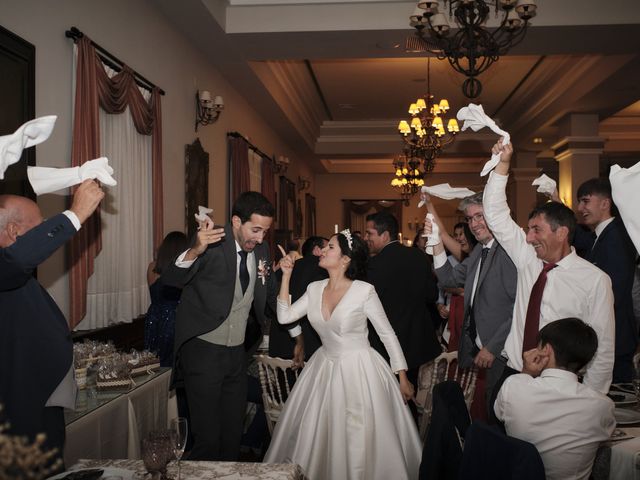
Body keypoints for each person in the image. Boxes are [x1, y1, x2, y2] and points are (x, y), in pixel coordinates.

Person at [264, 231, 421, 479]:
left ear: (345, 259)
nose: (322, 251)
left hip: (360, 370)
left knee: (358, 437)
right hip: (323, 367)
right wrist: (286, 277)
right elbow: (284, 317)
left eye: (330, 247)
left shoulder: (364, 291)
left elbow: (387, 335)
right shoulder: (314, 289)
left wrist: (402, 376)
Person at [484, 139, 614, 393]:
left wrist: (591, 400)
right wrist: (502, 165)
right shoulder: (528, 258)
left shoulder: (595, 280)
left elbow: (603, 347)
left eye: (536, 230)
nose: (529, 238)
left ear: (562, 232)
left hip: (560, 383)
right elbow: (496, 214)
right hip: (513, 371)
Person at [162, 191, 278, 461]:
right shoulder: (211, 242)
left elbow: (269, 296)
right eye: (256, 229)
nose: (260, 238)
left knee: (232, 436)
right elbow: (171, 279)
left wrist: (285, 274)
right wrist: (194, 250)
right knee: (208, 439)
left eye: (265, 232)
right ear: (236, 221)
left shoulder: (261, 249)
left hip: (237, 354)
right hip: (203, 351)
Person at [0, 180, 105, 467]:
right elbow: (17, 260)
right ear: (13, 231)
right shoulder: (7, 267)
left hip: (42, 405)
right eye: (40, 224)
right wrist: (74, 215)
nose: (46, 228)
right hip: (18, 415)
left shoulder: (19, 274)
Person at [423, 193, 517, 420]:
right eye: (470, 219)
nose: (474, 224)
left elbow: (519, 307)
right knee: (486, 410)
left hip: (503, 353)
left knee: (499, 416)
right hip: (481, 351)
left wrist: (492, 347)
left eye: (479, 216)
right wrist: (435, 242)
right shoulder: (479, 252)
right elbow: (448, 280)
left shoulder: (508, 252)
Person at [494, 318, 615, 480]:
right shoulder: (602, 406)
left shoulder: (514, 386)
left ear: (546, 350)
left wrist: (526, 372)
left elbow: (499, 413)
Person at [364, 211, 441, 390]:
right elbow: (432, 295)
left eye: (370, 233)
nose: (367, 238)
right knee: (410, 393)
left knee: (385, 395)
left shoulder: (372, 265)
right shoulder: (419, 257)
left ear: (384, 235)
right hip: (416, 341)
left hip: (384, 345)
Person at [574, 178, 638, 383]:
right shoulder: (601, 235)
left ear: (605, 203)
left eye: (585, 201)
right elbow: (579, 238)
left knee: (616, 405)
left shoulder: (616, 237)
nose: (580, 208)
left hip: (615, 335)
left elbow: (614, 291)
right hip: (608, 333)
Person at [268, 235, 328, 362]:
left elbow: (268, 306)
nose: (327, 251)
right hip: (307, 345)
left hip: (278, 343)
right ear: (317, 250)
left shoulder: (285, 268)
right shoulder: (322, 272)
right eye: (327, 247)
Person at [144, 231, 188, 367]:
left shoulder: (152, 267)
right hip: (175, 320)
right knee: (173, 363)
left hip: (154, 317)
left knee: (154, 361)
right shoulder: (181, 272)